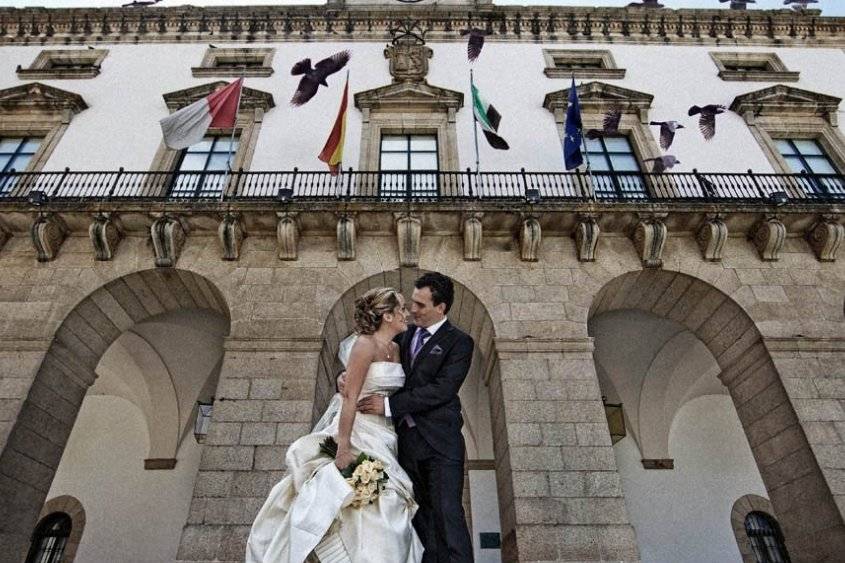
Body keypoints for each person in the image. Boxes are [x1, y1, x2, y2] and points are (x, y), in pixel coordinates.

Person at [246, 287, 424, 563]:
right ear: (387, 316)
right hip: (358, 430)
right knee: (370, 504)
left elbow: (395, 389)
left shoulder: (397, 348)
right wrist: (343, 447)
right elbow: (350, 396)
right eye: (401, 309)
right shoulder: (365, 345)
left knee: (387, 500)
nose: (406, 314)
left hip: (386, 433)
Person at [356, 272, 475, 563]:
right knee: (419, 521)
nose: (412, 310)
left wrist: (387, 406)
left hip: (440, 444)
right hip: (404, 445)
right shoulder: (403, 335)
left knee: (448, 515)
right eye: (412, 303)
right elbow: (373, 360)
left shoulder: (459, 342)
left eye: (421, 305)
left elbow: (441, 390)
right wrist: (345, 378)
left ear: (441, 308)